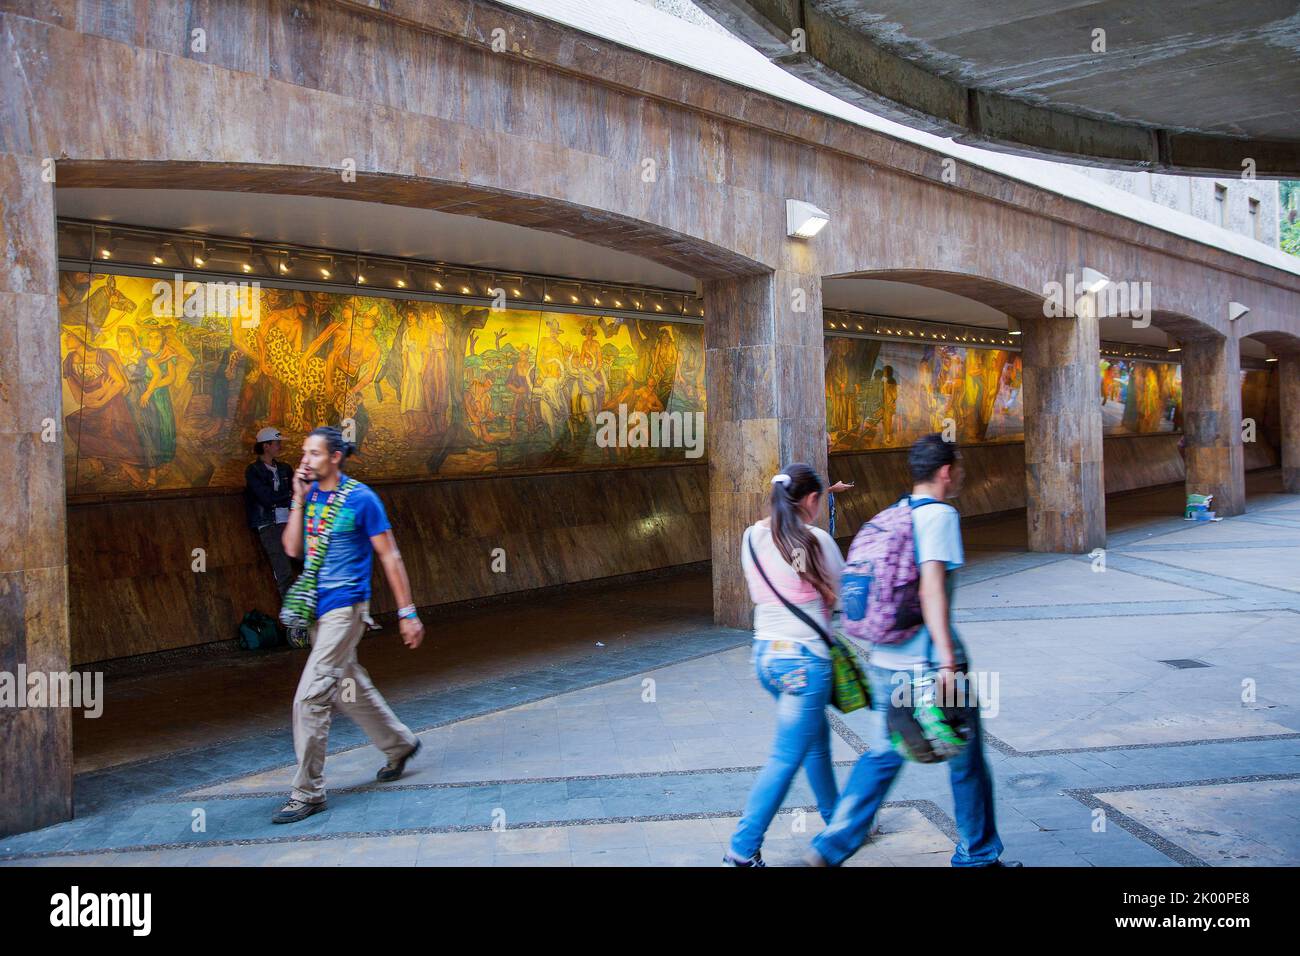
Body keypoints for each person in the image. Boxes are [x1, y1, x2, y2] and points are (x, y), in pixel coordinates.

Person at [806, 434, 1019, 867]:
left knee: (885, 753)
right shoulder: (939, 515)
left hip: (884, 658)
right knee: (966, 757)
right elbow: (932, 588)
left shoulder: (892, 513)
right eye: (957, 467)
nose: (958, 474)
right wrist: (946, 660)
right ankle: (977, 855)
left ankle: (831, 846)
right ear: (946, 471)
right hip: (927, 662)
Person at [273, 426, 425, 824]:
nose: (305, 460)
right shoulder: (311, 496)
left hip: (347, 610)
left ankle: (308, 792)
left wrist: (407, 612)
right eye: (303, 453)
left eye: (314, 454)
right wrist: (297, 499)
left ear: (335, 457)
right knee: (347, 686)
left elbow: (390, 556)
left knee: (310, 697)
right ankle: (400, 744)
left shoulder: (361, 499)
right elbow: (291, 549)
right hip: (319, 612)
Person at [725, 463, 844, 866]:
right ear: (811, 500)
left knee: (815, 743)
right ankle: (741, 849)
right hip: (804, 663)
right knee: (785, 758)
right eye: (820, 499)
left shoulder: (751, 536)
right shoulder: (817, 541)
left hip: (766, 657)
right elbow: (844, 598)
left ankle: (840, 821)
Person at [244, 426, 297, 600]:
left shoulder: (285, 468)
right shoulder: (253, 471)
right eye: (277, 443)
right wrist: (287, 496)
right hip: (268, 524)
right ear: (265, 446)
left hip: (288, 523)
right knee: (284, 571)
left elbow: (294, 492)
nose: (280, 446)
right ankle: (294, 622)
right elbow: (266, 498)